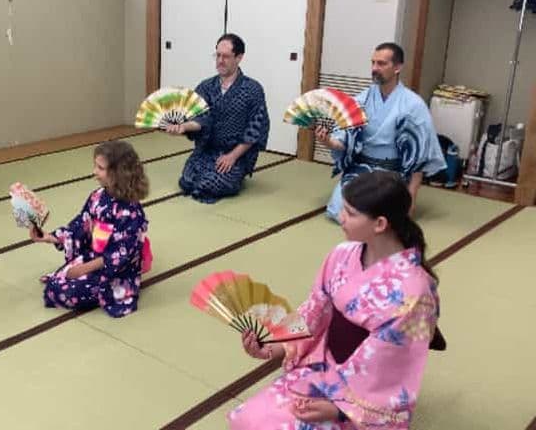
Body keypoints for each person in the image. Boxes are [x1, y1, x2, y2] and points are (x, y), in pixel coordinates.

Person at [229, 171, 440, 429]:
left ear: (380, 224)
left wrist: (338, 409)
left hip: (360, 398)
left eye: (350, 213)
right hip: (323, 366)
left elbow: (387, 366)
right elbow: (313, 312)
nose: (341, 217)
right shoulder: (342, 255)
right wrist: (276, 348)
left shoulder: (413, 293)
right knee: (246, 419)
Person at [317, 42, 445, 221]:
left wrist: (411, 198)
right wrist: (329, 142)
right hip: (361, 169)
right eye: (373, 63)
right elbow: (346, 136)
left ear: (398, 67)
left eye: (382, 64)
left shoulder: (413, 105)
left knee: (381, 218)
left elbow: (418, 157)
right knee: (339, 212)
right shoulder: (363, 98)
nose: (375, 68)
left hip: (392, 173)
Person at [30, 141, 150, 318]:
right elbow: (81, 225)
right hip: (94, 256)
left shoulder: (130, 212)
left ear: (118, 173)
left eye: (100, 168)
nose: (95, 172)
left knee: (63, 291)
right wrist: (48, 237)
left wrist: (82, 269)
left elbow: (119, 255)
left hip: (116, 271)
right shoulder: (97, 196)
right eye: (95, 166)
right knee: (56, 284)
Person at [165, 33, 270, 204]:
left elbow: (256, 127)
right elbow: (200, 118)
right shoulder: (206, 86)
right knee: (187, 181)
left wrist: (233, 156)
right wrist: (183, 127)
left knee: (208, 185)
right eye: (218, 55)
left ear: (239, 57)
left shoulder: (252, 89)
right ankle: (216, 174)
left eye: (226, 56)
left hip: (235, 153)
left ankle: (236, 175)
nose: (220, 60)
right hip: (208, 150)